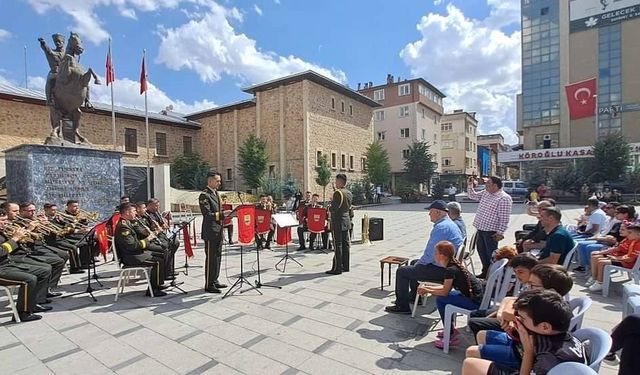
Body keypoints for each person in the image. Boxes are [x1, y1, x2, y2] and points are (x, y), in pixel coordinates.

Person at [462, 289, 586, 375]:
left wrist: (527, 351)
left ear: (544, 327)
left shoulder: (547, 360)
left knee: (470, 364)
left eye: (522, 319)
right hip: (529, 358)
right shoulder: (558, 333)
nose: (517, 321)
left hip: (528, 364)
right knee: (482, 336)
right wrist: (515, 332)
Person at [385, 200, 464, 313]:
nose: (429, 214)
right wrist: (417, 265)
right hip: (449, 266)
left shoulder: (442, 228)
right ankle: (415, 296)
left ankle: (402, 306)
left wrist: (418, 266)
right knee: (413, 263)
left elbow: (430, 254)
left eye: (430, 212)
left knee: (402, 271)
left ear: (438, 212)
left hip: (443, 270)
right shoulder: (450, 224)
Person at [468, 263, 572, 340]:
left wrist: (505, 314)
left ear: (550, 289)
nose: (528, 286)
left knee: (475, 323)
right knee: (475, 314)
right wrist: (501, 314)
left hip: (520, 340)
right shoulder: (538, 296)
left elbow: (508, 313)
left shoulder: (546, 307)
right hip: (513, 323)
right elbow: (508, 299)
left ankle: (485, 351)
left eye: (532, 284)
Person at [418, 241, 484, 349]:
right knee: (445, 297)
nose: (434, 255)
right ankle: (450, 329)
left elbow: (444, 292)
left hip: (475, 303)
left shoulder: (450, 270)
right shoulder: (453, 265)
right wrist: (427, 288)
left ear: (442, 256)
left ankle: (450, 336)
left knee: (441, 299)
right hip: (475, 297)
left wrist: (427, 290)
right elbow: (446, 288)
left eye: (436, 253)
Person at [0, 208, 53, 322]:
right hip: (1, 269)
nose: (4, 223)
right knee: (29, 279)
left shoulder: (2, 230)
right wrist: (15, 238)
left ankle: (33, 303)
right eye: (1, 221)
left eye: (5, 220)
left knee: (44, 270)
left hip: (8, 264)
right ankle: (22, 313)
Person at [114, 203, 166, 297]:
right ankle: (153, 290)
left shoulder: (128, 222)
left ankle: (157, 284)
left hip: (134, 253)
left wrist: (150, 231)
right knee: (158, 262)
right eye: (134, 211)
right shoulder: (123, 227)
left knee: (161, 255)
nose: (135, 213)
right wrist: (149, 238)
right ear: (127, 212)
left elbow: (138, 235)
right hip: (131, 256)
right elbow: (132, 246)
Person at [467, 176, 513, 278]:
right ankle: (485, 272)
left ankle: (493, 275)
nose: (486, 186)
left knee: (491, 254)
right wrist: (470, 185)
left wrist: (500, 232)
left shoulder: (504, 198)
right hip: (480, 228)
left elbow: (504, 217)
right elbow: (472, 196)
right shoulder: (486, 193)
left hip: (491, 232)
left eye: (488, 184)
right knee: (482, 252)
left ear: (495, 186)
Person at [574, 203, 631, 272]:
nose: (605, 209)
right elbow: (603, 233)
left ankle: (592, 270)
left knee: (590, 247)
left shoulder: (625, 226)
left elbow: (613, 240)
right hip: (605, 241)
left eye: (608, 208)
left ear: (625, 214)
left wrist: (595, 238)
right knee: (581, 244)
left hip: (611, 245)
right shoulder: (614, 221)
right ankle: (585, 267)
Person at [587, 221, 640, 292]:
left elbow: (630, 259)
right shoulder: (634, 241)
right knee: (598, 258)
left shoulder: (637, 244)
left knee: (601, 262)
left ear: (638, 234)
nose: (628, 234)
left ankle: (600, 283)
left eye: (630, 233)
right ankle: (596, 279)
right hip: (624, 260)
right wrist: (616, 258)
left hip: (629, 264)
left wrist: (616, 259)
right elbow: (622, 252)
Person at [198, 171, 228, 293]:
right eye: (217, 181)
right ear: (210, 181)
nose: (219, 183)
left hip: (218, 230)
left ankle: (215, 280)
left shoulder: (216, 193)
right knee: (211, 258)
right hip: (210, 231)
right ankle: (209, 284)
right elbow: (207, 214)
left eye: (220, 180)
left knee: (218, 256)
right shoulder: (204, 195)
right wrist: (222, 215)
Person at [326, 174, 353, 275]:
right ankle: (346, 266)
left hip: (337, 221)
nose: (335, 182)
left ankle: (337, 268)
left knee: (338, 245)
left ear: (340, 181)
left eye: (336, 181)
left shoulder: (338, 193)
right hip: (346, 221)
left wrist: (329, 206)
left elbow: (334, 208)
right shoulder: (349, 193)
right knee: (346, 245)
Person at [38, 34, 65, 106]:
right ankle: (49, 99)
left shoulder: (67, 53)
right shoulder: (52, 52)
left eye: (59, 42)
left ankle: (86, 100)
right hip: (55, 72)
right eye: (56, 42)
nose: (57, 43)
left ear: (63, 42)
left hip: (66, 73)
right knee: (49, 80)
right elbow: (47, 49)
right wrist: (43, 43)